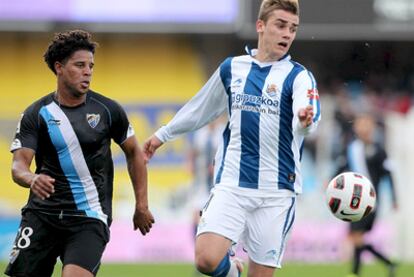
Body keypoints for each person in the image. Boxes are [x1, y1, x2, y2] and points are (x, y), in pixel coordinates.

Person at [143, 1, 321, 276]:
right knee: (205, 259)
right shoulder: (232, 69)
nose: (287, 34)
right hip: (233, 185)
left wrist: (304, 120)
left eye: (293, 29)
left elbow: (307, 117)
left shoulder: (299, 76)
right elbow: (201, 107)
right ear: (261, 26)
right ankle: (232, 272)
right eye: (281, 25)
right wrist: (162, 135)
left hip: (277, 193)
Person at [5, 30, 154, 277]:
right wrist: (32, 179)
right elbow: (18, 166)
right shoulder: (36, 114)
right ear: (59, 67)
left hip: (89, 216)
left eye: (91, 66)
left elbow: (134, 153)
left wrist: (142, 205)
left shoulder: (108, 110)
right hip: (42, 215)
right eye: (80, 65)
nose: (88, 72)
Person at [337, 114, 398, 277]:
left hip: (371, 201)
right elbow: (342, 167)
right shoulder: (351, 148)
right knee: (357, 237)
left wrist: (394, 198)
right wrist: (330, 181)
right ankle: (386, 265)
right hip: (353, 200)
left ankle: (360, 270)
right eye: (360, 125)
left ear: (371, 128)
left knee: (356, 237)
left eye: (366, 125)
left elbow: (389, 174)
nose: (363, 128)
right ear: (356, 127)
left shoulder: (378, 150)